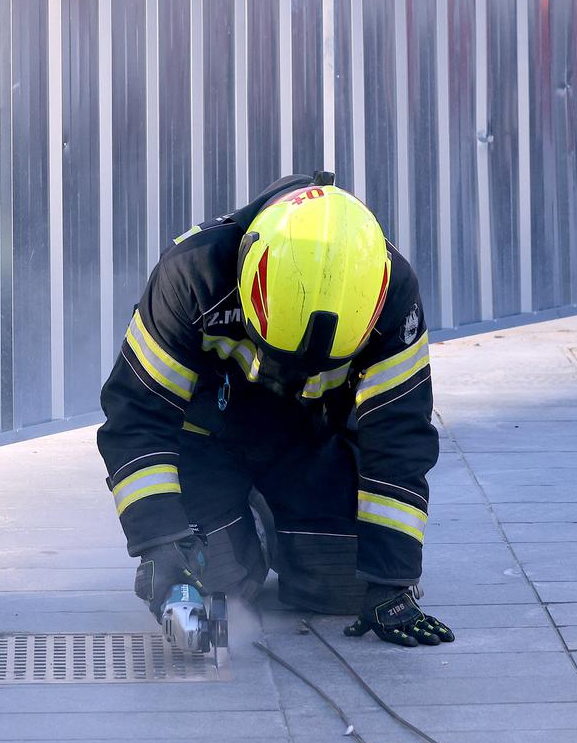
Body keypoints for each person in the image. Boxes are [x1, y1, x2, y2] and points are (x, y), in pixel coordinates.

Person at [97, 173, 454, 648]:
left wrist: (392, 582)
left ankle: (274, 519)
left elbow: (399, 436)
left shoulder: (391, 294)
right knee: (216, 581)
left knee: (345, 586)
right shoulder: (191, 274)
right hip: (207, 446)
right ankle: (238, 529)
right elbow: (136, 418)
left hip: (310, 445)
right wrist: (161, 545)